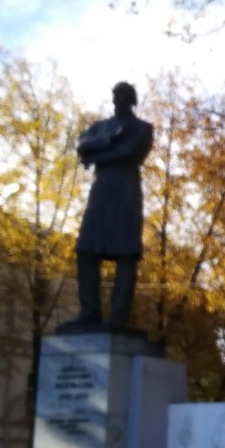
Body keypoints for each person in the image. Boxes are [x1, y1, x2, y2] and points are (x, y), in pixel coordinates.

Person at [62, 81, 154, 330]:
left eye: (124, 96)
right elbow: (82, 146)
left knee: (126, 254)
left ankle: (118, 317)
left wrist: (98, 154)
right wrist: (110, 142)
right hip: (100, 192)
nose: (118, 101)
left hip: (126, 193)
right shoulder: (101, 126)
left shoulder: (143, 128)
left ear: (132, 100)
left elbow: (130, 152)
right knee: (85, 250)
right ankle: (89, 311)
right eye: (116, 96)